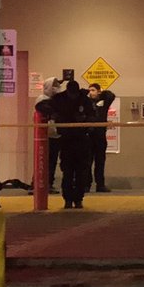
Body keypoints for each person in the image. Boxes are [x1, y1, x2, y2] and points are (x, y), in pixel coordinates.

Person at [52, 80, 92, 209]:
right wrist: (57, 117)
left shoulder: (85, 100)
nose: (73, 96)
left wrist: (85, 119)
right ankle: (68, 200)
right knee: (68, 172)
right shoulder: (59, 99)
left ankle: (79, 199)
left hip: (81, 139)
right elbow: (43, 107)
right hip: (66, 140)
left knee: (81, 173)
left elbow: (92, 116)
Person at [34, 76, 63, 192]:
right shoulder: (42, 99)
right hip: (44, 136)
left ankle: (49, 183)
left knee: (52, 161)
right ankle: (38, 183)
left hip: (55, 135)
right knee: (42, 161)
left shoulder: (56, 100)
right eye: (54, 85)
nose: (57, 88)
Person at [86, 83, 116, 192]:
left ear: (98, 91)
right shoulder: (86, 103)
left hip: (100, 135)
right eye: (89, 90)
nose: (91, 92)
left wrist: (101, 94)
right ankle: (86, 184)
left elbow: (111, 95)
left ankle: (100, 184)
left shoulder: (103, 103)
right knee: (87, 162)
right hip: (89, 136)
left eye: (93, 90)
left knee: (100, 161)